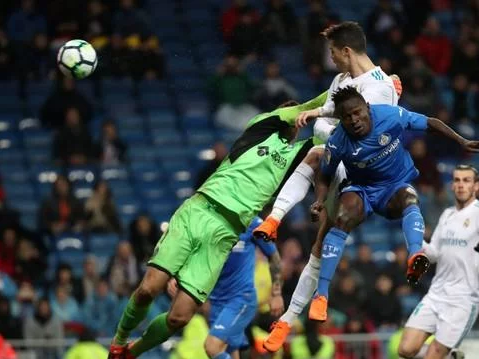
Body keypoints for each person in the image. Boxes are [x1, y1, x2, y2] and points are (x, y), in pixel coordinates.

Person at [106, 91, 328, 359]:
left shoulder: (299, 155)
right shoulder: (260, 128)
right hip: (199, 211)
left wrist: (354, 94)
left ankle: (131, 353)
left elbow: (325, 138)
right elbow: (307, 107)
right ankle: (118, 341)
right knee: (148, 289)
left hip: (224, 235)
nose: (296, 121)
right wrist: (340, 89)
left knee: (180, 317)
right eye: (292, 115)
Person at [258, 20, 402, 351]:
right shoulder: (341, 81)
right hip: (339, 165)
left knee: (316, 148)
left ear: (347, 51)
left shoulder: (379, 88)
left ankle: (276, 221)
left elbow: (365, 135)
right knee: (318, 248)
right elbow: (332, 114)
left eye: (334, 53)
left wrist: (322, 123)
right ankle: (286, 319)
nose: (332, 59)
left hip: (365, 173)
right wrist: (318, 115)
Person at [309, 87, 479, 322]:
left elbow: (430, 122)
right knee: (342, 217)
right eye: (347, 117)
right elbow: (325, 175)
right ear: (341, 119)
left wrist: (461, 141)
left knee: (409, 198)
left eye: (357, 112)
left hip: (394, 187)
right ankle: (321, 296)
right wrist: (319, 200)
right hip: (362, 189)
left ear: (367, 106)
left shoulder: (390, 115)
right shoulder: (338, 142)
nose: (354, 120)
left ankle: (416, 255)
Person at [398, 165, 479, 359]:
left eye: (466, 180)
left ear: (476, 186)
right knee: (405, 350)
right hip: (436, 294)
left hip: (463, 300)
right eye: (457, 180)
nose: (460, 185)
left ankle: (446, 355)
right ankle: (452, 356)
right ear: (452, 185)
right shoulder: (447, 214)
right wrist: (417, 241)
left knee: (432, 357)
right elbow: (433, 253)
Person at [166, 217, 284, 359]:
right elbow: (196, 254)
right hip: (215, 302)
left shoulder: (253, 223)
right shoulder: (207, 220)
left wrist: (276, 294)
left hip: (241, 298)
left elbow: (273, 256)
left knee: (212, 347)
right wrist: (179, 276)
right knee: (228, 352)